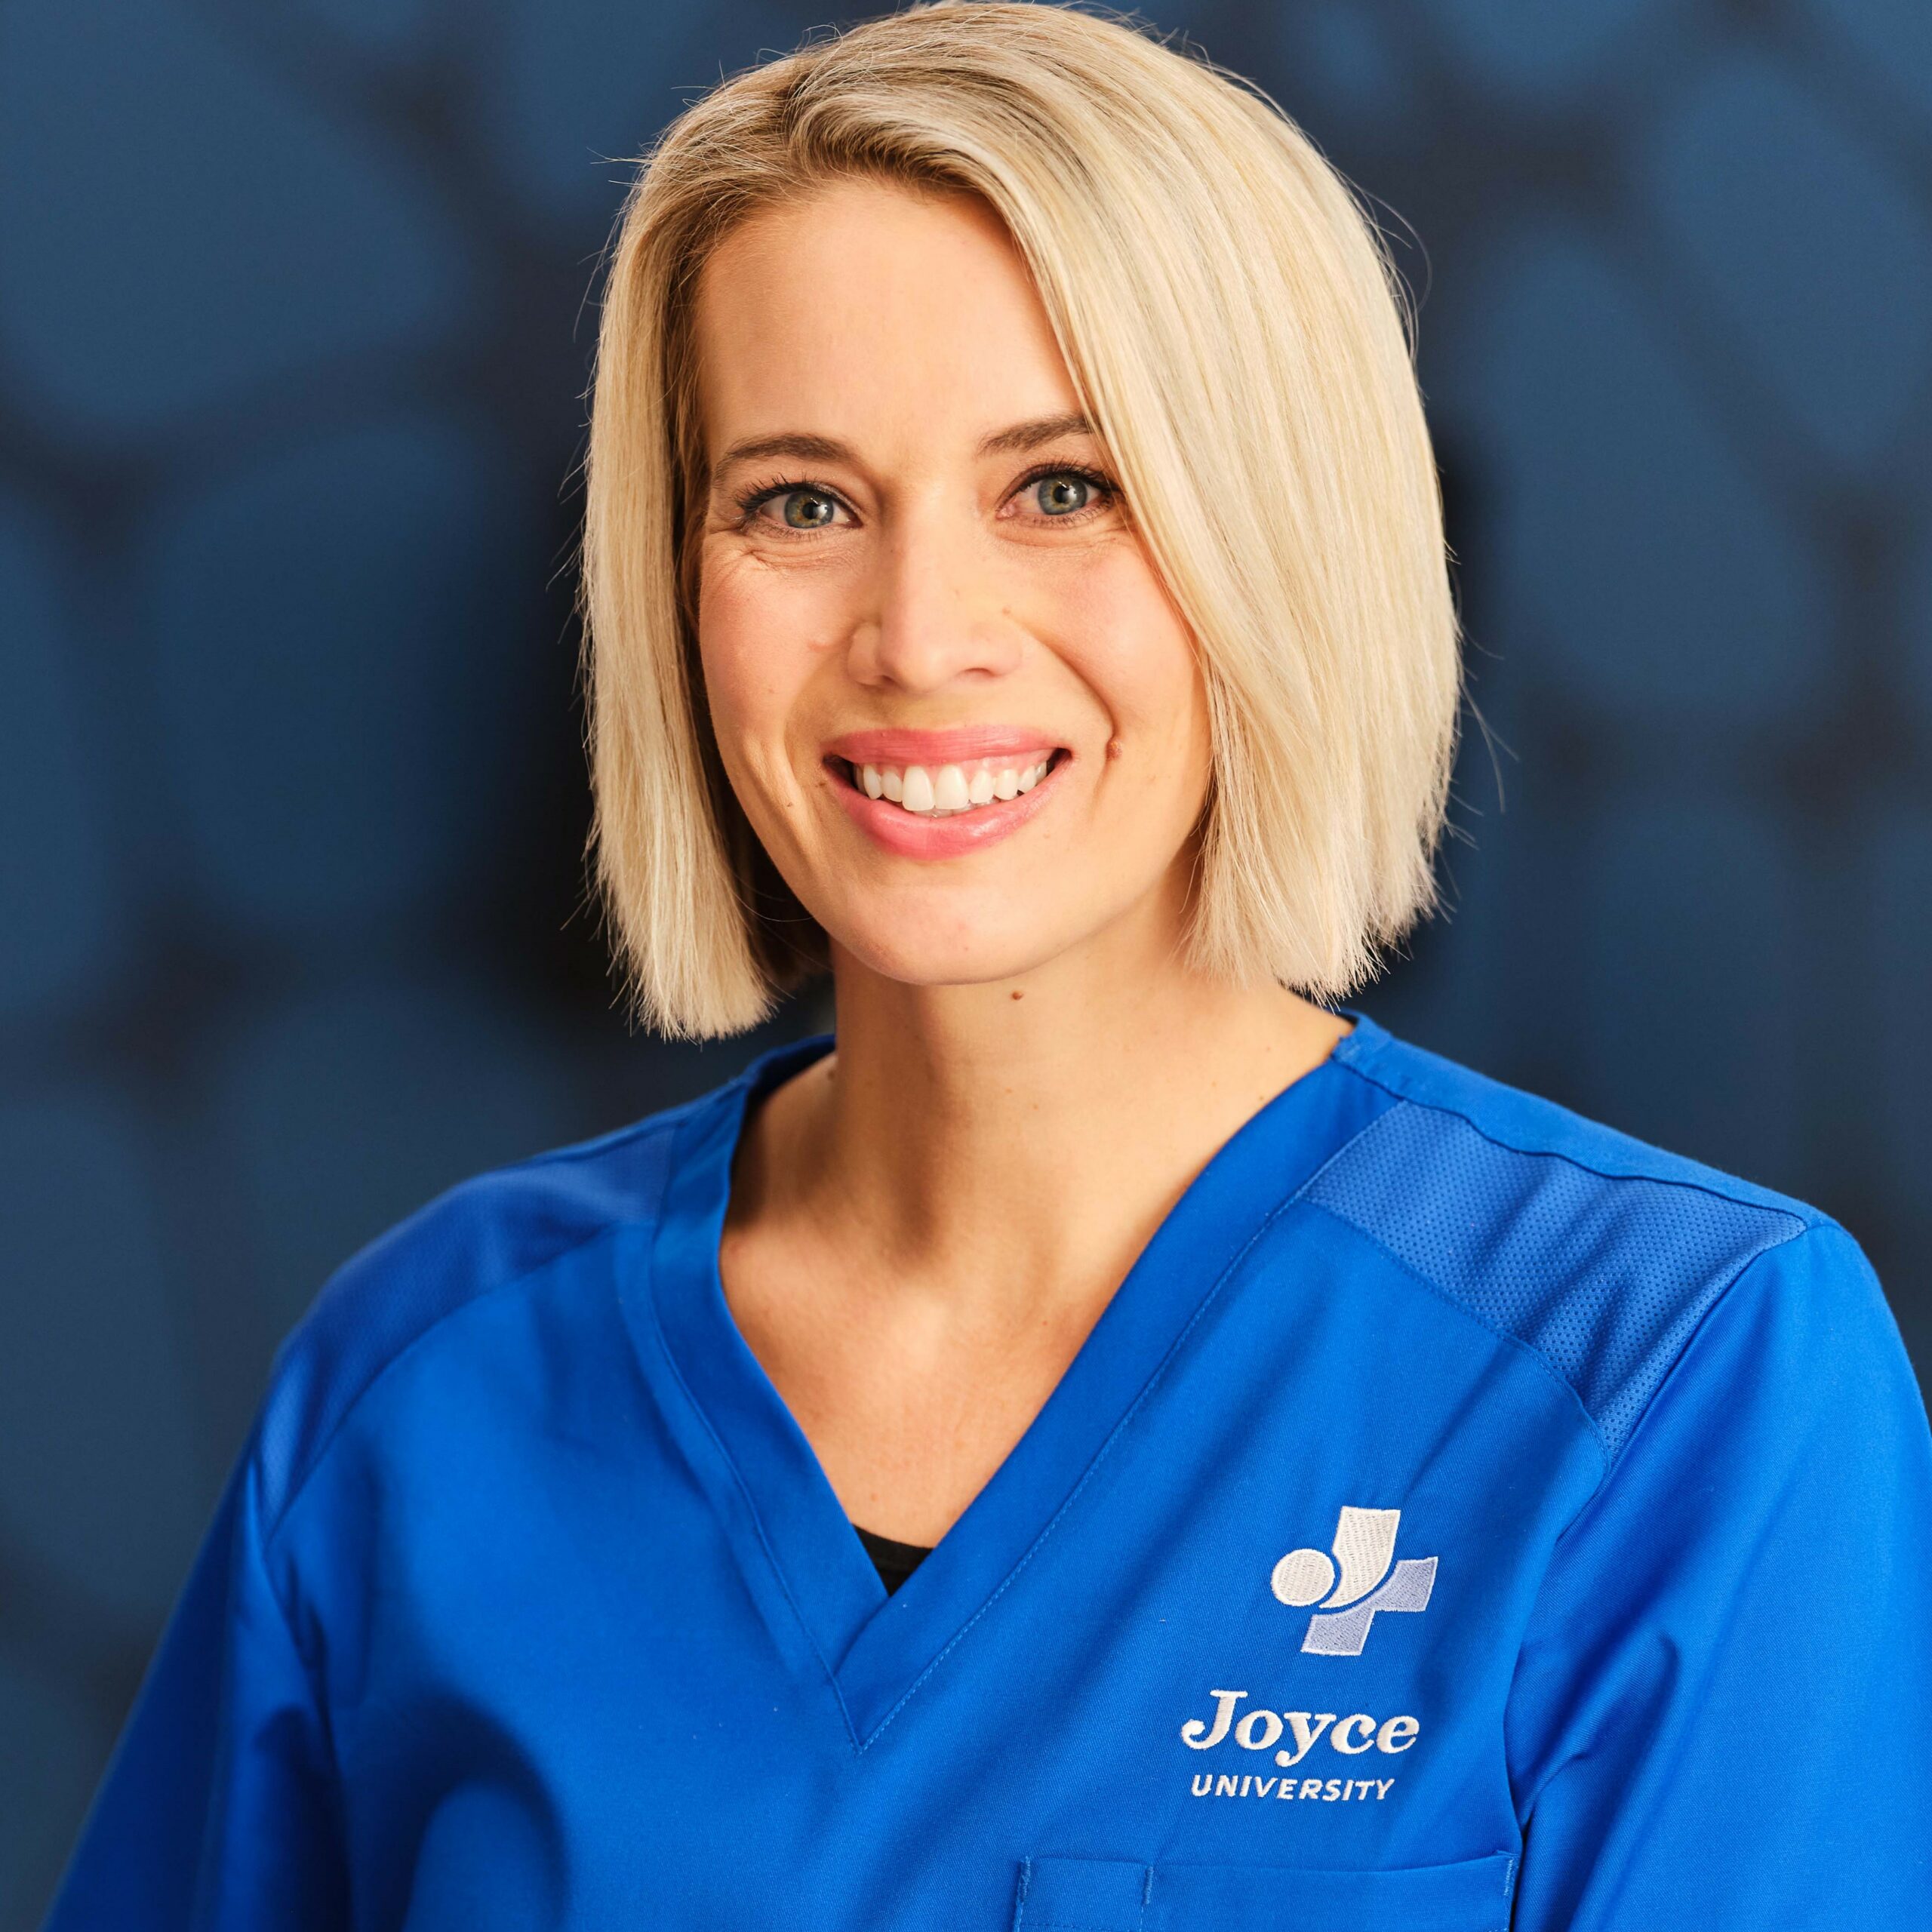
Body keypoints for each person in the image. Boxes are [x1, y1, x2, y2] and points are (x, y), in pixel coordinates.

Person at [45, 5, 1932, 1927]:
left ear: (1278, 540)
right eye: (799, 501)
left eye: (1063, 487)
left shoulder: (1675, 1373)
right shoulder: (420, 1378)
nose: (919, 634)